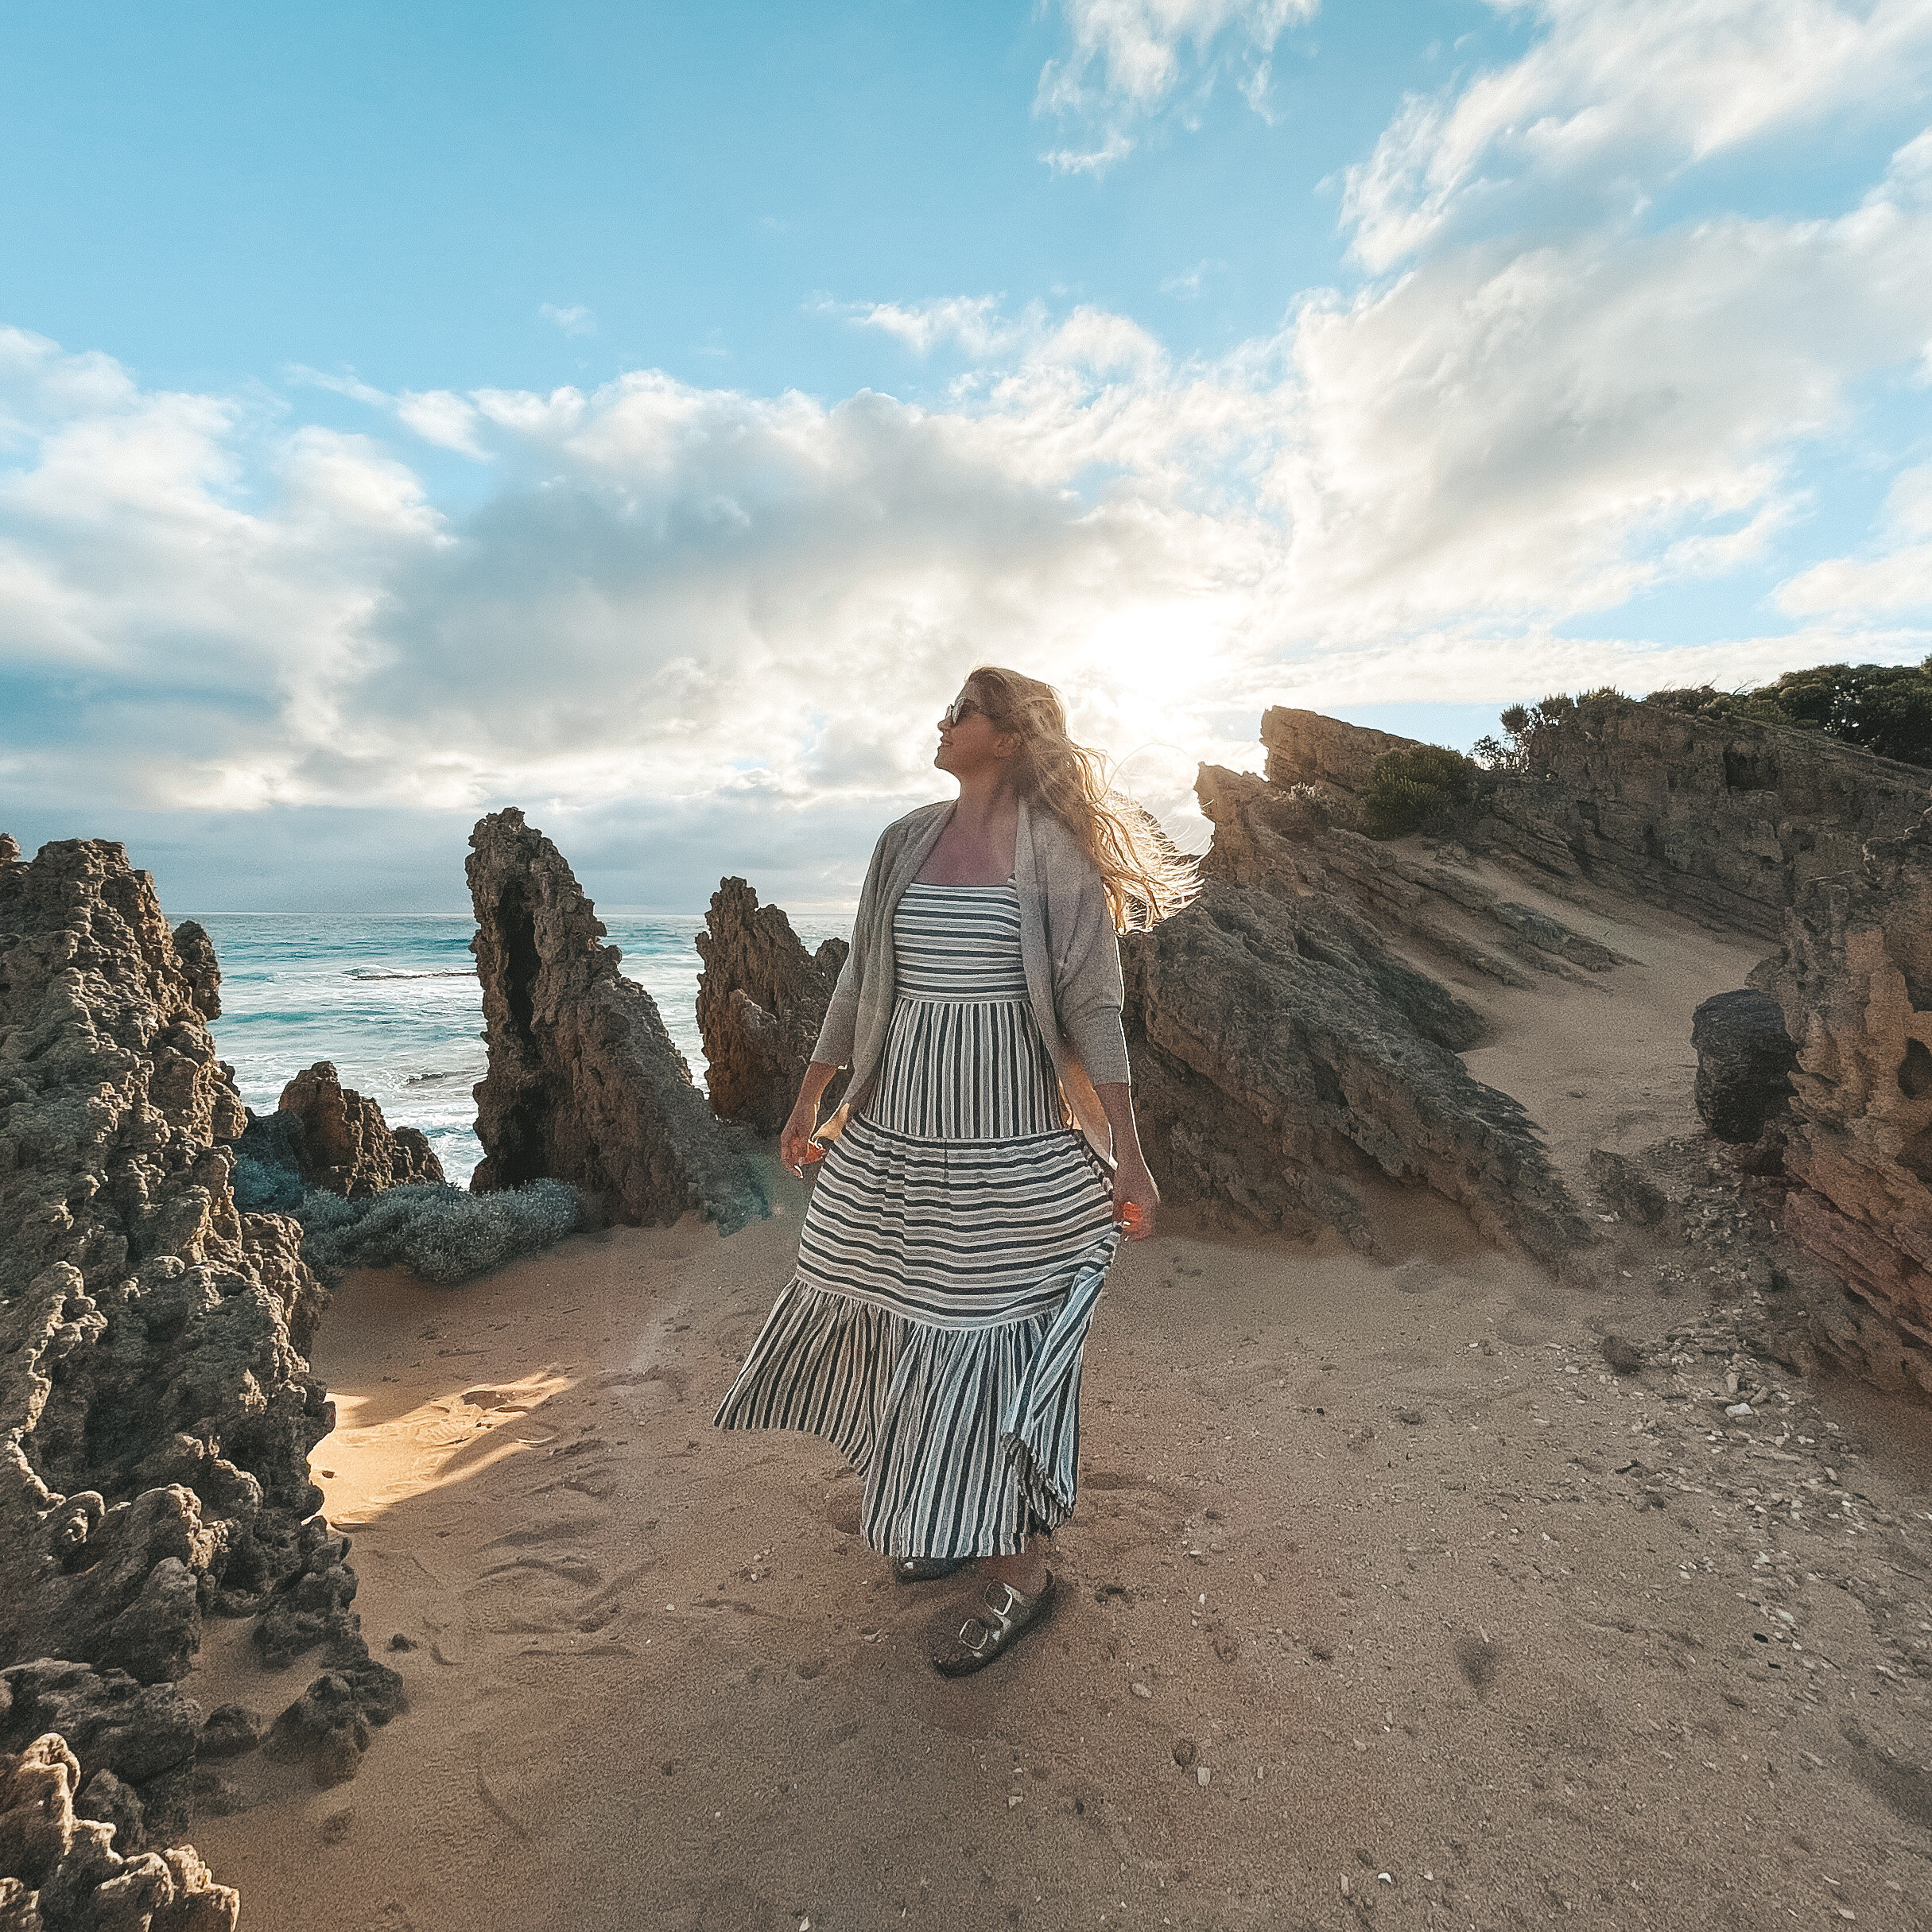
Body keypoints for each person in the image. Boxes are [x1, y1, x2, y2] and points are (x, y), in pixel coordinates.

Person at [713, 666, 1193, 1674]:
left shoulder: (1055, 855)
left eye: (963, 711)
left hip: (1008, 1145)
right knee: (912, 1330)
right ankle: (950, 1514)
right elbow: (859, 979)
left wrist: (1130, 1158)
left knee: (996, 1340)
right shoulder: (904, 840)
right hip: (896, 1137)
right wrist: (809, 1102)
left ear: (1010, 737)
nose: (943, 721)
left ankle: (1020, 1568)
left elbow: (1096, 1011)